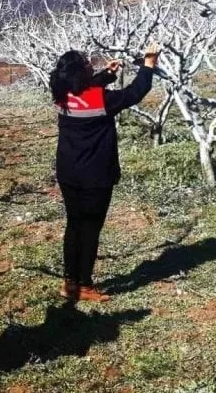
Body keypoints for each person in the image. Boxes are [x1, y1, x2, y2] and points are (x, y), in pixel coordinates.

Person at [50, 42, 160, 303]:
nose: (92, 66)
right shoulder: (101, 99)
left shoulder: (61, 95)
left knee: (74, 225)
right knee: (90, 228)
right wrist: (149, 63)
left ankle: (69, 282)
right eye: (89, 66)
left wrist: (107, 75)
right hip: (96, 175)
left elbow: (86, 90)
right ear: (81, 75)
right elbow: (136, 92)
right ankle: (85, 285)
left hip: (69, 173)